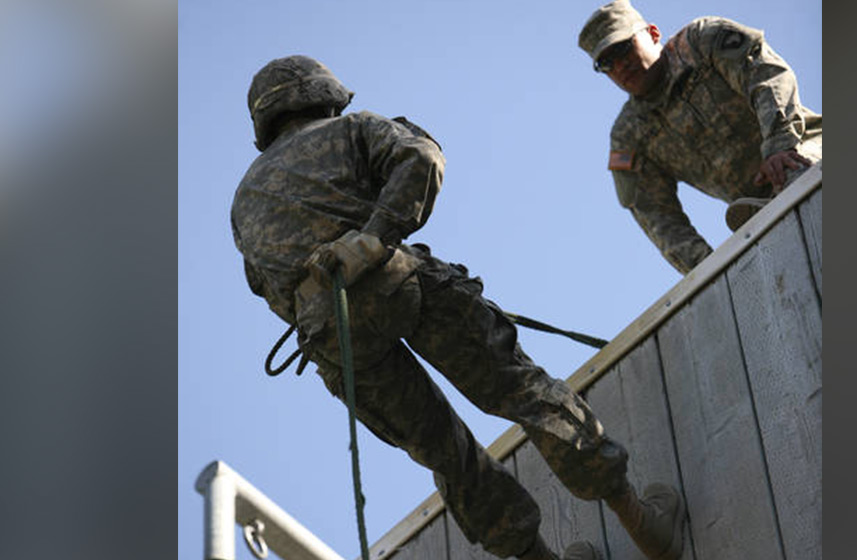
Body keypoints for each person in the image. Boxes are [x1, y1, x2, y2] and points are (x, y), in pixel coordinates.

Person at [231, 55, 686, 560]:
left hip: (333, 336)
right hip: (401, 283)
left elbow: (267, 287)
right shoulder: (350, 131)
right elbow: (421, 158)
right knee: (522, 391)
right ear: (322, 96)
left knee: (445, 454)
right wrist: (376, 236)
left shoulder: (244, 201)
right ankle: (643, 525)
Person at [578, 0, 822, 275]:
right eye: (606, 63)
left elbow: (766, 77)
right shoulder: (630, 137)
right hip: (756, 208)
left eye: (623, 49)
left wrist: (780, 146)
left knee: (798, 181)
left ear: (653, 33)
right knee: (767, 264)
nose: (620, 66)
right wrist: (712, 272)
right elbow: (658, 218)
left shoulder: (701, 43)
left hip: (805, 153)